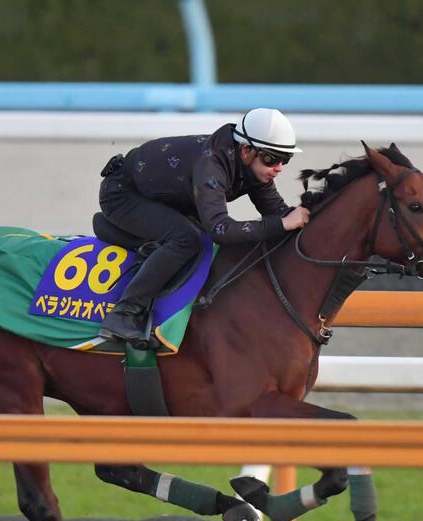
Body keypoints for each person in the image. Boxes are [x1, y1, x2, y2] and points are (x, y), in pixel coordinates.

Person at [95, 107, 310, 349]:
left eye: (285, 160)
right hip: (122, 195)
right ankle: (123, 314)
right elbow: (222, 229)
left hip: (161, 197)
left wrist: (311, 213)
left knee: (199, 237)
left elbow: (279, 213)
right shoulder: (212, 166)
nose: (278, 167)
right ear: (246, 150)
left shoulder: (253, 167)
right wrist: (281, 223)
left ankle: (124, 233)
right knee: (188, 240)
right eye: (272, 158)